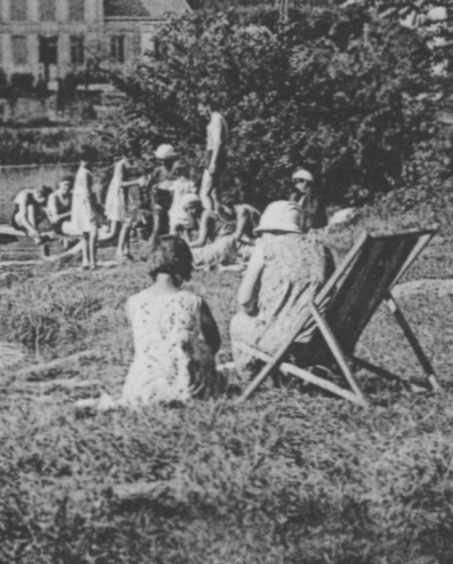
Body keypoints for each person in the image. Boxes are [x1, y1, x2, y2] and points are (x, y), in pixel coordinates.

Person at [82, 237, 225, 409]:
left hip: (142, 388)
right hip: (186, 387)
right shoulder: (193, 301)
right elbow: (214, 342)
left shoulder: (133, 302)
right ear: (185, 263)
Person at [230, 201, 336, 375]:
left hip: (281, 341)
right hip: (322, 339)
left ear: (273, 229)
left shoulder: (266, 247)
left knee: (239, 321)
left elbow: (245, 302)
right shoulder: (322, 250)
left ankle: (251, 377)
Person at [201, 107, 228, 214]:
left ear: (207, 107)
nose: (201, 113)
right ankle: (219, 221)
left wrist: (213, 162)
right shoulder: (216, 118)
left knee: (204, 193)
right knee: (215, 193)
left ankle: (209, 218)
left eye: (201, 110)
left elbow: (217, 142)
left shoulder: (216, 118)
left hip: (214, 155)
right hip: (215, 154)